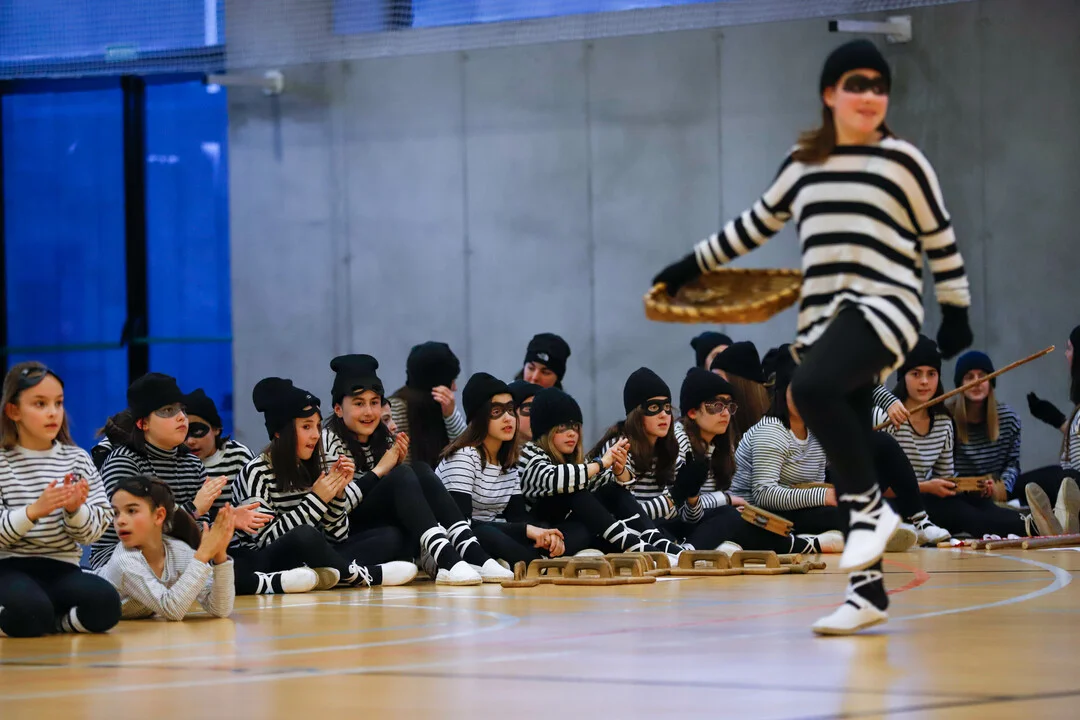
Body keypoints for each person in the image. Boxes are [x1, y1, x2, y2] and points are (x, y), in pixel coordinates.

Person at [651, 39, 973, 634]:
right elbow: (751, 226)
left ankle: (873, 516)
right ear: (829, 94)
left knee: (812, 389)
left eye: (880, 86)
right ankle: (867, 590)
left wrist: (954, 307)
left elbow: (940, 236)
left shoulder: (904, 162)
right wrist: (689, 266)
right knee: (845, 439)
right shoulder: (802, 165)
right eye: (857, 84)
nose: (870, 95)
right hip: (825, 320)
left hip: (887, 308)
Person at [322, 355, 510, 585]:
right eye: (359, 404)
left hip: (379, 533)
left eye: (374, 402)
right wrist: (380, 471)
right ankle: (448, 559)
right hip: (343, 536)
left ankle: (470, 551)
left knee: (419, 471)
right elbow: (335, 513)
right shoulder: (328, 441)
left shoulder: (382, 438)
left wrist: (390, 470)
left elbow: (399, 501)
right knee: (401, 478)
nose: (369, 411)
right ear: (338, 409)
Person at [0, 362, 121, 637]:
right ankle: (36, 614)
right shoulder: (3, 461)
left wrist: (75, 510)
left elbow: (95, 531)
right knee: (29, 611)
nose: (53, 412)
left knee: (106, 603)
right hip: (9, 567)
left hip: (63, 568)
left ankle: (51, 620)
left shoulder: (77, 459)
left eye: (58, 403)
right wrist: (33, 511)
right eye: (40, 404)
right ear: (13, 411)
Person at [436, 372, 570, 565]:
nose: (508, 418)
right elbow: (460, 524)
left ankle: (537, 560)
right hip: (454, 544)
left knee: (563, 530)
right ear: (479, 417)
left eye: (510, 409)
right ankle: (540, 564)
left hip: (492, 538)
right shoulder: (463, 457)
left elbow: (517, 518)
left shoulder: (507, 461)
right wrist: (527, 530)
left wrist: (546, 535)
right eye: (497, 411)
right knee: (489, 533)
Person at [98, 476, 236, 621]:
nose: (120, 521)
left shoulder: (178, 552)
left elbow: (220, 608)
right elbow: (172, 609)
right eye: (116, 513)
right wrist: (203, 554)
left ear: (159, 515)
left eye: (131, 510)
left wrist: (220, 555)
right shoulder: (124, 561)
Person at [389, 342, 467, 467]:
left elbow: (469, 454)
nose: (454, 388)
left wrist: (451, 416)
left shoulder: (444, 407)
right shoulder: (395, 410)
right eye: (450, 381)